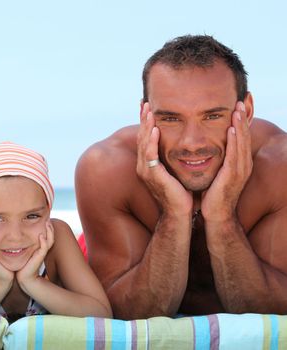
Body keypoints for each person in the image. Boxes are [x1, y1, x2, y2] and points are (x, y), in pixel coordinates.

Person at [75, 34, 287, 319]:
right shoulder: (106, 169)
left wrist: (222, 215)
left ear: (245, 111)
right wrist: (174, 213)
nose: (192, 142)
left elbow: (274, 312)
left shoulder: (278, 167)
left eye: (212, 117)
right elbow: (127, 314)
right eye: (171, 119)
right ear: (145, 115)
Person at [0, 142, 111, 321]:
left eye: (32, 216)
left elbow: (102, 314)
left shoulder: (59, 237)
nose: (16, 236)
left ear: (48, 213)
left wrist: (32, 281)